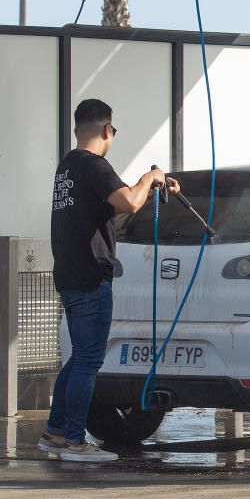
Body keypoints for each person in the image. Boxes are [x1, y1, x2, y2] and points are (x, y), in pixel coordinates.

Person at [38, 99, 180, 462]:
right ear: (106, 130)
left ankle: (55, 433)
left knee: (78, 358)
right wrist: (151, 178)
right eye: (113, 132)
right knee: (88, 360)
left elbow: (110, 204)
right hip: (90, 277)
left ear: (76, 130)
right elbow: (130, 203)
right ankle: (74, 441)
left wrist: (152, 186)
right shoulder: (95, 166)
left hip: (69, 275)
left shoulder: (67, 166)